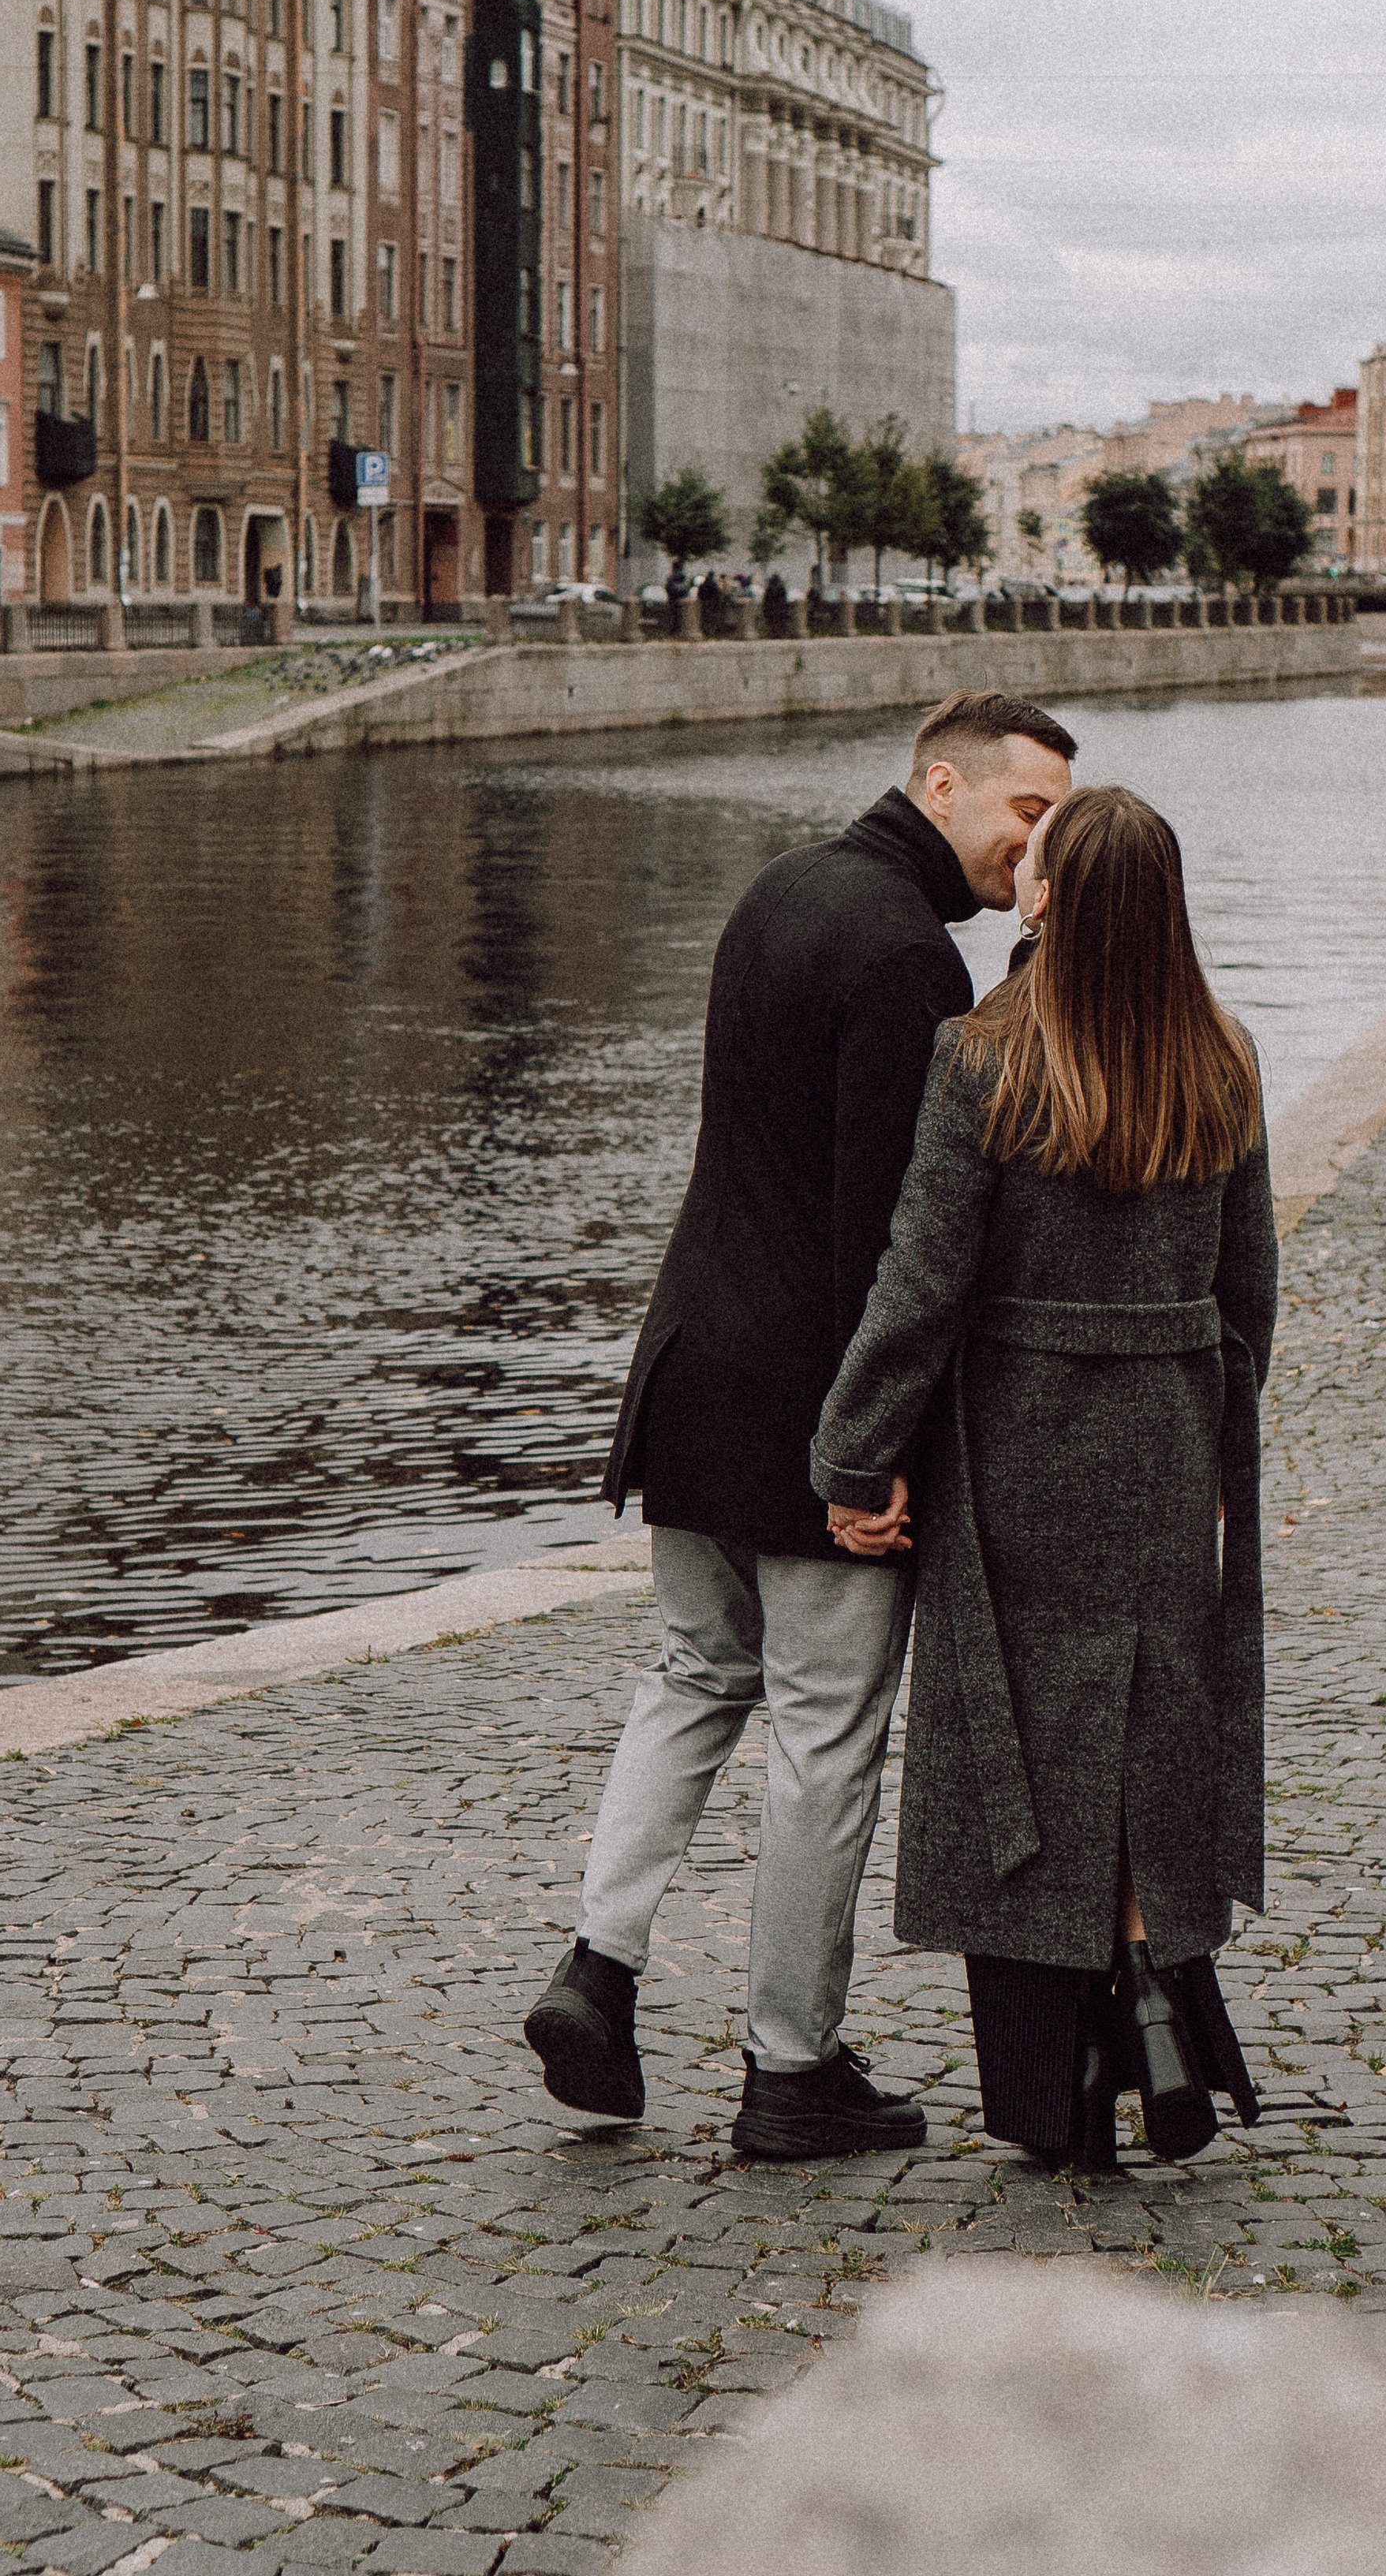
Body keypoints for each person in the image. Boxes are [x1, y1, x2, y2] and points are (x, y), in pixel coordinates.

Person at [525, 692, 1078, 2160]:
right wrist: (871, 1455)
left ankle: (600, 1964)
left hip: (691, 1368)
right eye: (1028, 814)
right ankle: (790, 2068)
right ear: (944, 785)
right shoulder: (908, 965)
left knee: (695, 1675)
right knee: (826, 1735)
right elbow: (887, 1243)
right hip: (810, 1405)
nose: (1040, 851)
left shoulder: (781, 891)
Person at [809, 786, 1277, 2171]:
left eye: (1041, 865)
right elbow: (1248, 1292)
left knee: (1021, 1751)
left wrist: (853, 1451)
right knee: (1143, 1737)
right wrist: (1210, 1429)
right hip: (1165, 1436)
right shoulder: (1226, 1059)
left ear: (1054, 900)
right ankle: (1155, 2014)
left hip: (1016, 1446)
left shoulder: (983, 1060)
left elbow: (921, 1286)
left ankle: (1058, 2094)